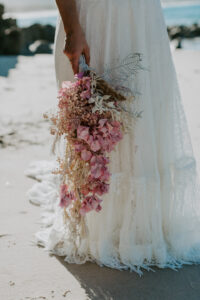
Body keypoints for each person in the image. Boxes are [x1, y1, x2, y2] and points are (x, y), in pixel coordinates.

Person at [27, 0, 200, 275]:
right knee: (95, 117)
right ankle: (98, 226)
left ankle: (143, 225)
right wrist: (73, 29)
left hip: (142, 19)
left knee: (143, 119)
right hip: (93, 19)